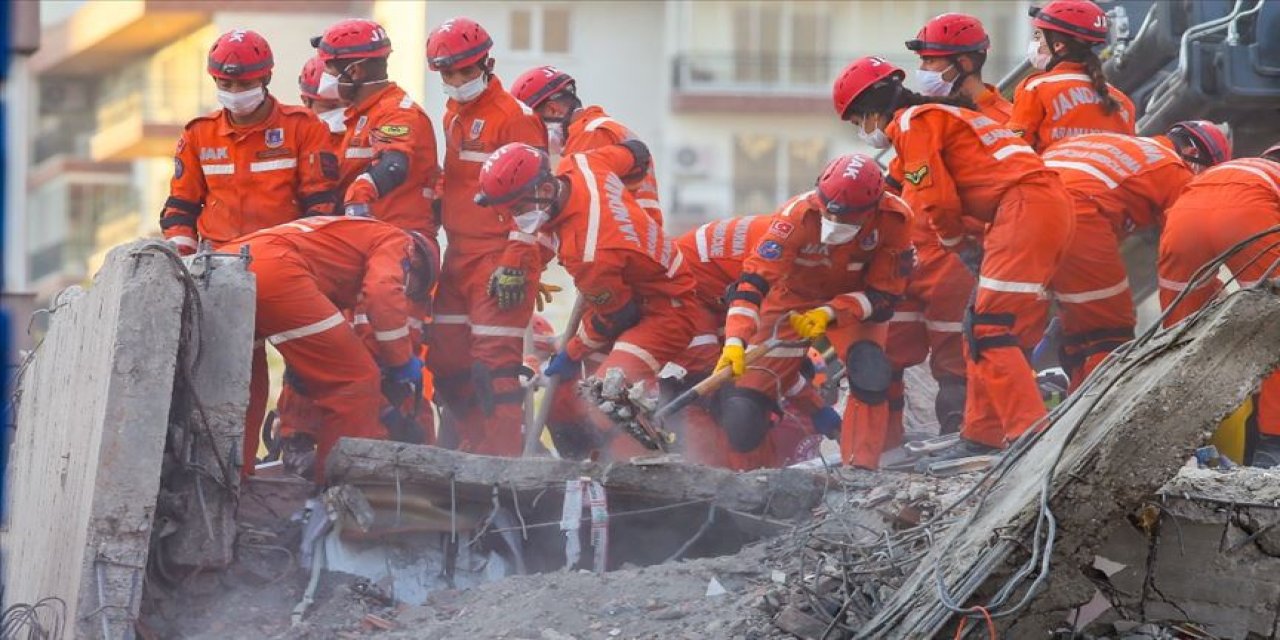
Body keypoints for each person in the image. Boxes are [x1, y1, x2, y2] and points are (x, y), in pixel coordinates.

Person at [833, 56, 1075, 460]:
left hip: (1023, 207)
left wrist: (958, 246)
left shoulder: (913, 123)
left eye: (859, 121)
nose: (863, 131)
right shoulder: (942, 115)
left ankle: (1031, 439)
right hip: (1034, 208)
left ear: (872, 110)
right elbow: (906, 187)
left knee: (989, 329)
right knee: (979, 329)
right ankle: (982, 436)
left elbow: (935, 200)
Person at [474, 141, 694, 460]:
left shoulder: (589, 254)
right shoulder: (581, 164)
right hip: (628, 283)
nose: (513, 217)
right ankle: (583, 463)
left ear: (546, 189)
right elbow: (637, 154)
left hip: (663, 310)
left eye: (517, 209)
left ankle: (661, 459)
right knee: (569, 398)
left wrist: (572, 351)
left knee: (608, 398)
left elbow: (616, 318)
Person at [715, 154, 914, 469]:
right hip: (792, 298)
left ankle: (860, 469)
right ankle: (750, 487)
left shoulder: (896, 220)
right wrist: (736, 341)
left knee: (871, 369)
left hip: (851, 302)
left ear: (872, 210)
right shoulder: (796, 216)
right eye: (829, 215)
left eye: (846, 220)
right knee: (743, 409)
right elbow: (753, 281)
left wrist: (831, 313)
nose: (834, 225)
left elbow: (884, 296)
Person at [424, 16, 548, 456]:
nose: (456, 81)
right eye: (448, 74)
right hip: (458, 253)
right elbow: (458, 179)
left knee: (495, 366)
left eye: (464, 71)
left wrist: (517, 260)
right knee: (446, 362)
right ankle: (473, 450)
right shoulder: (453, 112)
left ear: (486, 63)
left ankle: (502, 466)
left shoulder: (514, 118)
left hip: (500, 256)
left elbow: (534, 196)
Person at [233, 216, 436, 480]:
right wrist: (401, 362)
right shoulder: (399, 242)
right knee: (356, 382)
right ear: (416, 265)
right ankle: (336, 496)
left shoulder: (341, 245)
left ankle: (232, 482)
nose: (406, 293)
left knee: (244, 387)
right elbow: (383, 292)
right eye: (411, 289)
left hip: (233, 263)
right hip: (279, 271)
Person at [888, 12, 1012, 436]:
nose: (924, 72)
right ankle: (878, 454)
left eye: (931, 62)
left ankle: (958, 443)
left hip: (957, 255)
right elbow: (903, 177)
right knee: (883, 357)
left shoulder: (1004, 118)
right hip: (908, 253)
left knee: (953, 362)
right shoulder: (923, 117)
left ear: (964, 63)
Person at [1042, 124, 1225, 386]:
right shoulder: (1173, 168)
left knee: (1000, 331)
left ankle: (994, 421)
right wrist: (1218, 295)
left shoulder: (1108, 141)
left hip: (1018, 212)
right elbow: (1189, 245)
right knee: (1108, 332)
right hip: (1077, 215)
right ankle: (1095, 420)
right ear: (1192, 153)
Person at [162, 29, 337, 255]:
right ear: (215, 80)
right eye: (226, 84)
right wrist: (184, 259)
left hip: (283, 254)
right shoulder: (199, 134)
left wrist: (303, 252)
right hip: (218, 260)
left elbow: (322, 202)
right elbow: (180, 207)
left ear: (266, 78)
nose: (235, 92)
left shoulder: (302, 126)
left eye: (244, 84)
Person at [1158, 143, 1280, 465]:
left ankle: (1173, 440)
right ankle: (1274, 447)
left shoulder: (1239, 169)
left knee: (1180, 335)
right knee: (1277, 325)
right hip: (1246, 213)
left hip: (1184, 217)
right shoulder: (1270, 180)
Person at [313, 19, 440, 238]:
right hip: (364, 237)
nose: (325, 77)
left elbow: (393, 165)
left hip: (399, 238)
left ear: (355, 71)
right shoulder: (359, 115)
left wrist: (359, 195)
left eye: (330, 69)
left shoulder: (398, 113)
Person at [510, 65, 663, 225]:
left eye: (535, 125)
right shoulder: (602, 128)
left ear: (553, 110)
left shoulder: (590, 137)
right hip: (637, 233)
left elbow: (579, 208)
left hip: (624, 237)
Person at [1008, 0, 1136, 152]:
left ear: (1058, 45)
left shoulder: (1035, 89)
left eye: (1038, 35)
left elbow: (1014, 150)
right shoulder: (1123, 102)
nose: (1035, 42)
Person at [297, 54, 346, 138]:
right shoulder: (297, 140)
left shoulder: (368, 138)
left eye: (351, 105)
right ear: (306, 101)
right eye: (331, 106)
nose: (344, 113)